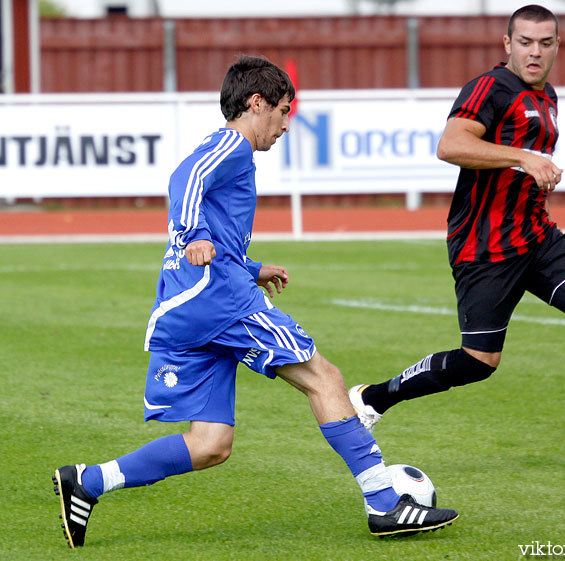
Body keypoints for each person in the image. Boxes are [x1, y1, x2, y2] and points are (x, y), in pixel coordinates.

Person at [52, 55, 458, 549]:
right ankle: (384, 503)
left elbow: (208, 229)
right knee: (325, 378)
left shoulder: (228, 152)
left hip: (186, 309)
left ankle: (87, 482)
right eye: (284, 111)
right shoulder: (231, 144)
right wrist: (196, 232)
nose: (286, 125)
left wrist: (250, 266)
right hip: (220, 304)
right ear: (256, 102)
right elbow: (183, 181)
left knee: (210, 445)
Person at [350, 5, 565, 476]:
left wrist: (528, 167)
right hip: (486, 247)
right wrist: (523, 158)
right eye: (526, 42)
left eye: (546, 43)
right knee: (479, 362)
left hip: (537, 237)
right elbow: (450, 144)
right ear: (507, 44)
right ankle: (373, 398)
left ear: (557, 45)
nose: (535, 52)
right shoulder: (490, 87)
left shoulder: (548, 94)